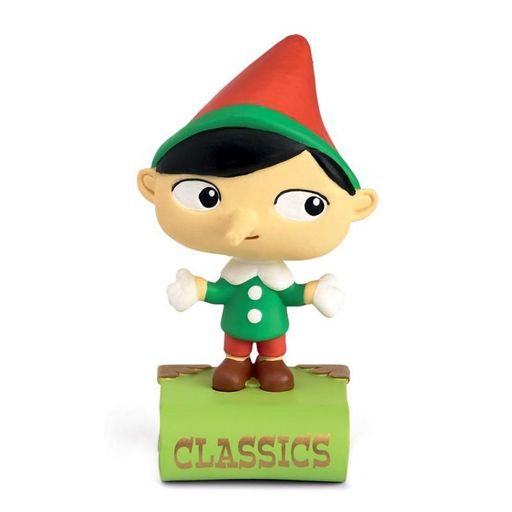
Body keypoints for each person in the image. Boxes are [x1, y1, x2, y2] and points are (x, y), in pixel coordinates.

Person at [137, 35, 378, 392]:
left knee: (274, 352)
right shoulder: (235, 273)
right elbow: (220, 291)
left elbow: (290, 294)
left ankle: (271, 363)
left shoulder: (273, 276)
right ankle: (236, 362)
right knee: (234, 351)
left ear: (359, 205)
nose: (243, 224)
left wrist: (315, 292)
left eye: (307, 203)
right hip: (235, 332)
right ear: (151, 186)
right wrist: (196, 288)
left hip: (273, 333)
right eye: (206, 196)